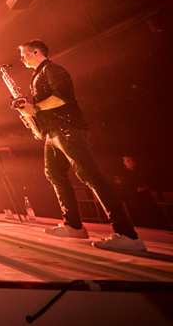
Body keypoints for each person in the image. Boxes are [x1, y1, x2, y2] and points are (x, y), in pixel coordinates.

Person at [15, 40, 145, 252]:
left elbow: (63, 97)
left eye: (24, 53)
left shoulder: (52, 69)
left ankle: (127, 235)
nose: (21, 58)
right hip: (53, 132)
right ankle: (73, 225)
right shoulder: (38, 74)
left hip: (67, 129)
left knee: (91, 176)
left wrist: (35, 108)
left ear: (37, 52)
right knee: (54, 174)